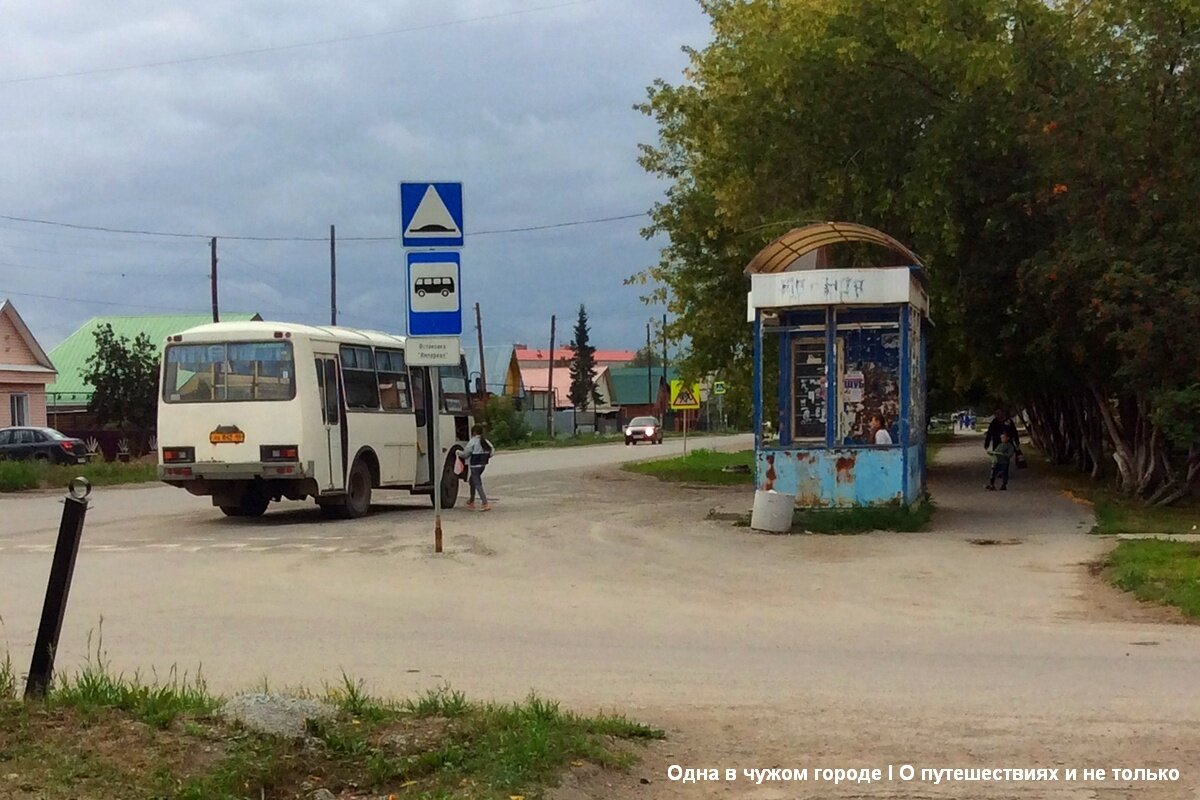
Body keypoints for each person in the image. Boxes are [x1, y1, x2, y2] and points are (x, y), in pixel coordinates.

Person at [463, 423, 495, 511]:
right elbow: (492, 451)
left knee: (477, 483)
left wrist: (458, 453)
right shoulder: (485, 441)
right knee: (472, 480)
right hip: (483, 465)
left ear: (473, 432)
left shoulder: (472, 441)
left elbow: (466, 454)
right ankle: (471, 500)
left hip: (474, 466)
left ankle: (485, 503)